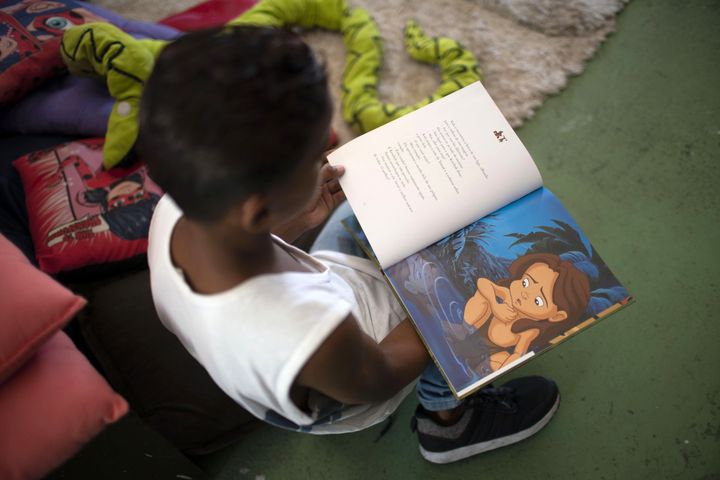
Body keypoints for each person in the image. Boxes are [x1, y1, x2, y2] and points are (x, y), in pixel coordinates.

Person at [141, 25, 560, 464]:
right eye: (314, 154)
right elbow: (379, 377)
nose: (331, 151)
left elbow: (246, 253)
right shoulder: (302, 327)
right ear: (256, 209)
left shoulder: (173, 212)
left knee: (376, 207)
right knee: (499, 288)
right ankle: (448, 421)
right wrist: (437, 308)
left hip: (309, 327)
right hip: (357, 372)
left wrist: (295, 220)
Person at [459, 253, 591, 372]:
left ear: (557, 316)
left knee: (503, 360)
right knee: (482, 296)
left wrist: (501, 366)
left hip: (493, 352)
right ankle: (463, 327)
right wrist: (495, 304)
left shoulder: (530, 329)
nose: (524, 294)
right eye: (525, 282)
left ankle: (482, 368)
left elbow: (518, 354)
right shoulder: (507, 296)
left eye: (538, 300)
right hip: (474, 329)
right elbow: (483, 283)